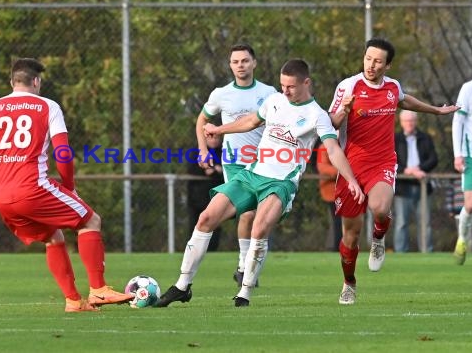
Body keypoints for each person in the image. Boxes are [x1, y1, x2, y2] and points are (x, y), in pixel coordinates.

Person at [155, 59, 365, 308]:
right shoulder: (275, 100)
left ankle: (244, 293)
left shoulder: (317, 115)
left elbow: (333, 149)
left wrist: (350, 179)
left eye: (291, 86)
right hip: (251, 174)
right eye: (282, 85)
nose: (285, 91)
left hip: (281, 183)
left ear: (306, 83)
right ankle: (182, 286)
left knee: (259, 228)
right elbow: (251, 122)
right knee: (206, 218)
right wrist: (219, 130)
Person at [0, 58, 133, 312]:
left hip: (2, 197)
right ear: (36, 81)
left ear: (12, 82)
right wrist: (69, 186)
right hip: (33, 188)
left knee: (52, 236)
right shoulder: (48, 107)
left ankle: (73, 301)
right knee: (91, 221)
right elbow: (63, 153)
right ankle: (99, 290)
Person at [329, 38, 459, 305]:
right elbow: (331, 123)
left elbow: (403, 100)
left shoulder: (392, 86)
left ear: (387, 65)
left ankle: (378, 237)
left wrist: (435, 110)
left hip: (382, 162)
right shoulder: (348, 86)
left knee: (379, 207)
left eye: (378, 61)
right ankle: (349, 283)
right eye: (368, 59)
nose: (371, 65)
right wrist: (345, 108)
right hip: (351, 167)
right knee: (350, 237)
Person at [195, 43, 277, 286]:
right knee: (248, 212)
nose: (240, 65)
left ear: (254, 63)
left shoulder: (269, 92)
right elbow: (202, 119)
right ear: (230, 65)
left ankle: (246, 265)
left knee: (260, 215)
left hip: (264, 162)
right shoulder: (221, 93)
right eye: (235, 62)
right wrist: (203, 151)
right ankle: (244, 264)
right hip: (234, 162)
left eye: (244, 61)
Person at [393, 110, 438, 253]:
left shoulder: (425, 138)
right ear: (401, 122)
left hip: (423, 186)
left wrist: (419, 168)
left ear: (416, 121)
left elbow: (433, 159)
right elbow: (390, 161)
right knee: (401, 223)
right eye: (406, 120)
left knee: (425, 222)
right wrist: (406, 170)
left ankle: (427, 252)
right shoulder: (395, 139)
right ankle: (400, 253)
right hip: (402, 187)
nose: (409, 123)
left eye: (412, 120)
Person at [452, 77, 472, 264]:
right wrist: (458, 154)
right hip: (471, 156)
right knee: (471, 204)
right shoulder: (469, 88)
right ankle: (462, 238)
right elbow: (457, 122)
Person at [187, 134, 224, 251]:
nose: (214, 140)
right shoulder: (196, 152)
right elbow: (194, 169)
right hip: (197, 197)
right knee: (196, 223)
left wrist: (214, 171)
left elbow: (224, 172)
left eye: (216, 138)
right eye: (211, 138)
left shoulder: (223, 153)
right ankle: (193, 249)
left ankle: (212, 249)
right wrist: (213, 170)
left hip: (215, 195)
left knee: (214, 224)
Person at [315, 141, 342, 251]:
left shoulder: (346, 145)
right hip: (331, 190)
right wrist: (344, 170)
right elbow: (322, 167)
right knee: (337, 221)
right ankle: (337, 247)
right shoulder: (323, 147)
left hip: (348, 190)